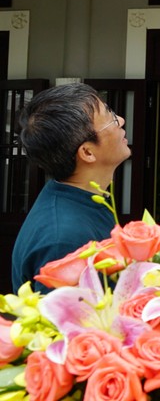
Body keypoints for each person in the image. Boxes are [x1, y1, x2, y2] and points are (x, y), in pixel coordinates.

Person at [11, 82, 131, 293]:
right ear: (87, 152)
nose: (120, 120)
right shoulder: (63, 240)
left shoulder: (84, 197)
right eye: (111, 119)